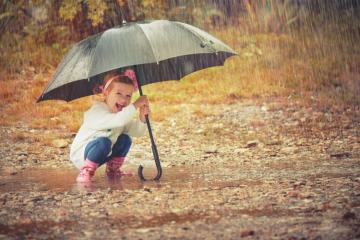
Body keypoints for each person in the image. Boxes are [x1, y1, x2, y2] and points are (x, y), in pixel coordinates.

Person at [70, 69, 149, 183]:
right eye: (118, 93)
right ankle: (86, 171)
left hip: (104, 153)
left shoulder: (120, 115)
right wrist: (135, 105)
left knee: (125, 139)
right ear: (106, 93)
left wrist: (143, 118)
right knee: (104, 142)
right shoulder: (97, 111)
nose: (124, 99)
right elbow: (119, 121)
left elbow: (137, 131)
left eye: (128, 96)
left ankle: (113, 170)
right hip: (83, 155)